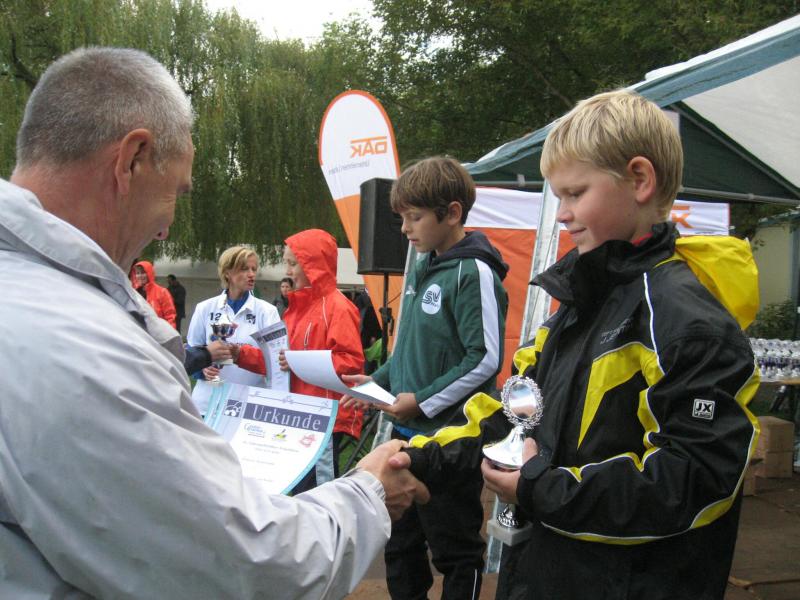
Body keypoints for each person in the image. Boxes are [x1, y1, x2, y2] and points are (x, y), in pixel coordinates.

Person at [0, 46, 429, 599]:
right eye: (177, 191)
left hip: (310, 424)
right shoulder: (89, 349)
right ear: (132, 159)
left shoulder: (42, 308)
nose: (166, 227)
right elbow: (247, 565)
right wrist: (368, 495)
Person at [479, 90, 761, 600]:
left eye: (574, 193)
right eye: (558, 197)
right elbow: (515, 409)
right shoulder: (580, 303)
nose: (562, 214)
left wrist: (539, 487)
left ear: (640, 180)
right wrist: (418, 457)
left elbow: (694, 479)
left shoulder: (689, 323)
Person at [342, 156, 509, 600]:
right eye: (402, 218)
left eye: (414, 217)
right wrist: (375, 383)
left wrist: (421, 401)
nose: (404, 229)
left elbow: (485, 358)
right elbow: (407, 350)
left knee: (456, 553)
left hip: (451, 441)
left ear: (452, 213)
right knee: (400, 546)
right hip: (405, 439)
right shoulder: (420, 264)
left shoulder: (475, 271)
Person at [238, 229, 365, 490]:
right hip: (299, 415)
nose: (288, 271)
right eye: (288, 263)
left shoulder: (338, 307)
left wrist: (298, 362)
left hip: (323, 419)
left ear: (313, 265)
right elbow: (279, 361)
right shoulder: (296, 309)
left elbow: (350, 362)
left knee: (318, 493)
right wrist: (238, 354)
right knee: (299, 491)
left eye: (293, 264)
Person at [186, 246, 280, 416]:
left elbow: (276, 361)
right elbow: (191, 352)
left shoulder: (268, 312)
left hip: (250, 405)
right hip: (207, 404)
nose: (251, 274)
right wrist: (202, 370)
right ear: (227, 272)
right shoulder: (204, 308)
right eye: (244, 269)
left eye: (254, 269)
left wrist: (242, 354)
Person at [130, 259, 177, 328]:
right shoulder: (133, 292)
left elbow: (170, 316)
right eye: (137, 273)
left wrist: (168, 333)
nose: (140, 276)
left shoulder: (162, 292)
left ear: (149, 273)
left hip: (158, 331)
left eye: (143, 273)